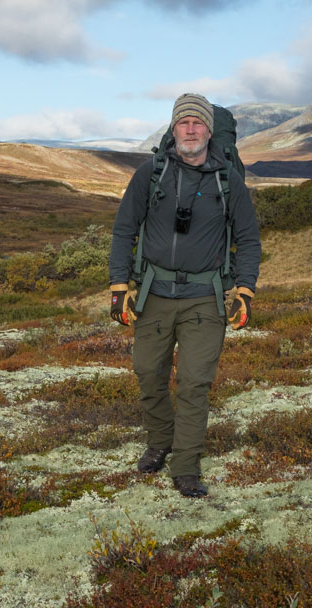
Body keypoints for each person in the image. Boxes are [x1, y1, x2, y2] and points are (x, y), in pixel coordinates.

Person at [108, 93, 261, 498]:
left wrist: (244, 292)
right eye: (183, 123)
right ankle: (160, 442)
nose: (190, 130)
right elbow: (125, 229)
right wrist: (118, 287)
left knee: (194, 383)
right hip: (154, 294)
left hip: (205, 297)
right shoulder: (150, 172)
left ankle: (186, 466)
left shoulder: (229, 180)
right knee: (148, 373)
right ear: (172, 129)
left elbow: (248, 240)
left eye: (197, 123)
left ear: (209, 131)